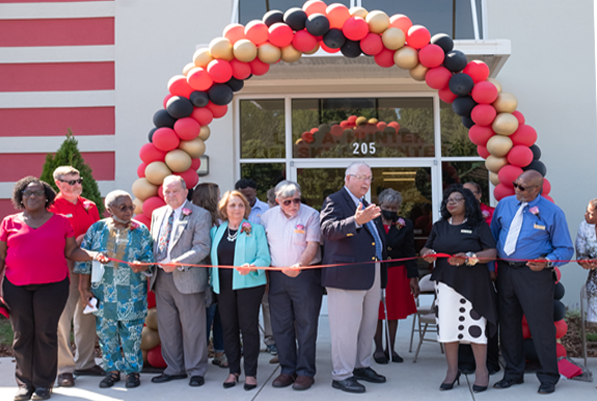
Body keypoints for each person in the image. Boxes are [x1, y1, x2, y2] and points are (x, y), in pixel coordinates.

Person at [0, 176, 103, 401]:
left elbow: (71, 252)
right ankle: (24, 384)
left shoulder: (60, 222)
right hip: (16, 286)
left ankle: (44, 385)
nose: (32, 196)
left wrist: (93, 255)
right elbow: (1, 257)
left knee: (46, 334)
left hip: (53, 286)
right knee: (22, 335)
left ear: (47, 196)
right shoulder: (9, 222)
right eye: (27, 193)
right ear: (20, 197)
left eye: (37, 192)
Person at [491, 170, 573, 394]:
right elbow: (493, 237)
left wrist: (548, 262)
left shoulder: (552, 212)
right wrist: (492, 268)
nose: (517, 189)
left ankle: (549, 377)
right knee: (508, 325)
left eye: (522, 187)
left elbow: (565, 249)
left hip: (534, 274)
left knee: (541, 327)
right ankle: (513, 373)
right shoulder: (505, 205)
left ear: (537, 189)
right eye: (516, 184)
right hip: (506, 272)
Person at [420, 184, 497, 393]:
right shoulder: (439, 226)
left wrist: (471, 257)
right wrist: (426, 252)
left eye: (456, 199)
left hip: (473, 285)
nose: (451, 202)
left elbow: (491, 252)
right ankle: (452, 371)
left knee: (476, 328)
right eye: (448, 200)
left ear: (468, 203)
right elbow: (427, 247)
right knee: (448, 328)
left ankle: (482, 371)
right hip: (446, 285)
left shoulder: (478, 225)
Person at [320, 162, 387, 394]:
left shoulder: (366, 204)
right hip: (345, 275)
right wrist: (356, 221)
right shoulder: (335, 200)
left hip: (371, 272)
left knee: (367, 326)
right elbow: (327, 230)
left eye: (370, 178)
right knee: (345, 329)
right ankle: (341, 375)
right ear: (348, 178)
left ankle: (361, 366)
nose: (367, 182)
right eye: (362, 177)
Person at [76, 190, 154, 388]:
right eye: (123, 208)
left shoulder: (141, 230)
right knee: (106, 336)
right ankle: (112, 371)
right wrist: (83, 289)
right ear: (109, 210)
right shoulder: (96, 229)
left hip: (132, 295)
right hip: (104, 294)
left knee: (132, 336)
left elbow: (149, 260)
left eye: (131, 207)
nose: (129, 211)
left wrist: (142, 265)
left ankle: (132, 372)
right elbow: (84, 262)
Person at [148, 175, 212, 387]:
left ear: (186, 192)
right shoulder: (158, 213)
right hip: (161, 278)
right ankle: (174, 368)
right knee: (167, 326)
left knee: (194, 327)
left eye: (175, 191)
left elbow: (202, 247)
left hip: (188, 277)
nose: (171, 195)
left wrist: (178, 262)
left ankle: (196, 370)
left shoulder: (200, 215)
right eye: (167, 191)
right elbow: (153, 244)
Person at [261, 181, 322, 391]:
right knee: (281, 325)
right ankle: (287, 370)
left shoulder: (311, 214)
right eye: (287, 202)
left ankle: (305, 372)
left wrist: (300, 265)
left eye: (297, 200)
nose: (294, 205)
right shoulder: (267, 217)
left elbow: (312, 244)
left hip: (305, 275)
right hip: (277, 276)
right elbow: (262, 247)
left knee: (306, 325)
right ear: (277, 201)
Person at [210, 190, 270, 391]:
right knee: (228, 329)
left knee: (248, 328)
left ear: (246, 208)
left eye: (240, 205)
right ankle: (233, 370)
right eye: (232, 205)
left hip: (249, 286)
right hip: (223, 287)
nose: (237, 209)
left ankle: (251, 373)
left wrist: (252, 266)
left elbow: (265, 258)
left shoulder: (255, 230)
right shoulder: (217, 231)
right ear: (224, 210)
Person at [49, 166, 104, 388]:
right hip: (64, 267)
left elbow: (99, 232)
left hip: (90, 267)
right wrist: (77, 241)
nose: (76, 185)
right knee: (62, 319)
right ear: (58, 184)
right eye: (70, 182)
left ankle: (86, 362)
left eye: (78, 180)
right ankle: (64, 368)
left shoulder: (89, 205)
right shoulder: (51, 206)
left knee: (88, 313)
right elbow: (49, 239)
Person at [373, 188, 419, 364]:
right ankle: (378, 349)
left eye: (394, 208)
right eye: (387, 207)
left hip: (397, 271)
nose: (390, 211)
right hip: (376, 271)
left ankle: (390, 348)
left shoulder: (404, 223)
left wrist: (413, 277)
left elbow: (410, 251)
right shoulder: (371, 221)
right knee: (376, 312)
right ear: (380, 205)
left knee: (393, 312)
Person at [460, 181, 500, 375]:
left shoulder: (492, 214)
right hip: (461, 276)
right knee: (463, 317)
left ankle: (490, 361)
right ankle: (466, 361)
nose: (466, 197)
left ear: (479, 195)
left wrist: (491, 268)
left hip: (485, 273)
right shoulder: (456, 216)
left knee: (486, 316)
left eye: (470, 193)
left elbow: (493, 245)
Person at [234, 179, 276, 356]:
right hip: (239, 268)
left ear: (256, 192)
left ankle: (271, 340)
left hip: (262, 264)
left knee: (267, 304)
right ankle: (247, 341)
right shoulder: (234, 212)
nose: (246, 198)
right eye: (242, 195)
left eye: (249, 195)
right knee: (244, 308)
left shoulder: (266, 211)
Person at [192, 183, 227, 368]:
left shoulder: (221, 220)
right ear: (211, 198)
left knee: (221, 315)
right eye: (218, 196)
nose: (221, 200)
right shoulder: (197, 219)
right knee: (206, 317)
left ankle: (220, 353)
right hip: (204, 276)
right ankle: (200, 357)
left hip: (221, 276)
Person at [576, 198, 597, 325]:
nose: (586, 215)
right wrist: (584, 261)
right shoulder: (584, 226)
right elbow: (581, 254)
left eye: (591, 213)